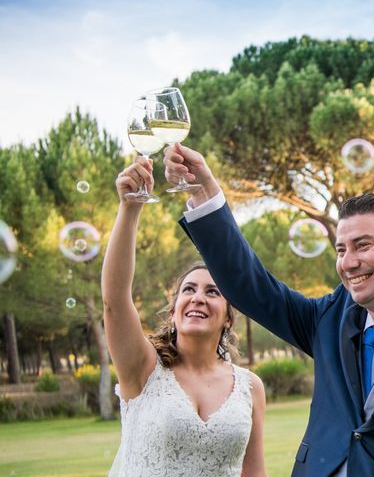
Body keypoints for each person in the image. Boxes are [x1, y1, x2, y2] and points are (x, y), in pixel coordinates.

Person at [164, 143, 374, 477]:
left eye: (362, 245)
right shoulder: (328, 320)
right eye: (340, 249)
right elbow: (251, 286)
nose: (348, 263)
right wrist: (204, 195)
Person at [101, 156, 267, 477]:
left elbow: (254, 473)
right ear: (175, 311)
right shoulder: (143, 368)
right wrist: (130, 208)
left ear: (228, 318)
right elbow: (115, 302)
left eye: (213, 292)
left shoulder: (251, 387)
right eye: (188, 290)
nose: (198, 298)